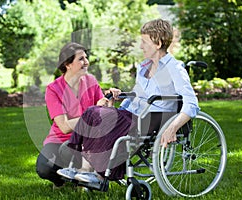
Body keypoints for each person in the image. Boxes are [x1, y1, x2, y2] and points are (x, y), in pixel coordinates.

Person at [56, 18, 200, 183]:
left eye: (144, 42)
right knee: (93, 112)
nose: (140, 46)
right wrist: (115, 107)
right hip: (135, 114)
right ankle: (79, 167)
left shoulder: (175, 68)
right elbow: (137, 95)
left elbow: (191, 103)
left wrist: (173, 128)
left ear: (158, 43)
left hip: (155, 118)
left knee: (100, 116)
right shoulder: (144, 67)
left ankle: (98, 175)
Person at [36, 42, 112, 187]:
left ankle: (80, 175)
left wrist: (109, 100)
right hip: (59, 138)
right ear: (67, 64)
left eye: (86, 57)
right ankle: (63, 180)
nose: (86, 62)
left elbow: (103, 113)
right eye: (81, 59)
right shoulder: (53, 89)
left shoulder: (91, 81)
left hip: (87, 139)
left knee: (70, 150)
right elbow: (64, 127)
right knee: (44, 169)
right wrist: (91, 114)